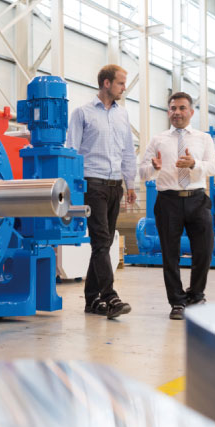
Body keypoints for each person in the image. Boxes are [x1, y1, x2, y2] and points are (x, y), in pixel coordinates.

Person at [66, 64, 137, 320]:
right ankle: (110, 296)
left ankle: (91, 300)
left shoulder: (122, 115)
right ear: (106, 83)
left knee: (104, 244)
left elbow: (128, 151)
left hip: (115, 186)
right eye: (120, 83)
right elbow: (72, 151)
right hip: (92, 185)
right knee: (100, 241)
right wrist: (73, 189)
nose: (124, 88)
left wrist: (130, 183)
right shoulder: (82, 113)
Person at [139, 92, 215, 320]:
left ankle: (196, 295)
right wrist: (153, 168)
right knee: (170, 255)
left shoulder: (204, 139)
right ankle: (177, 302)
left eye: (182, 108)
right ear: (168, 112)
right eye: (173, 108)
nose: (177, 112)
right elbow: (142, 172)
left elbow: (213, 167)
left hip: (197, 199)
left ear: (191, 112)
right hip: (168, 201)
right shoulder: (158, 140)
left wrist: (194, 164)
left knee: (204, 251)